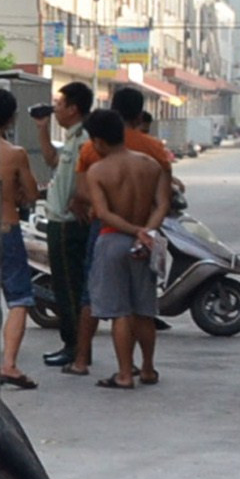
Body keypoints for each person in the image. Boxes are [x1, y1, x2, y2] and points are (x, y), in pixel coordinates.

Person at [73, 110, 168, 391]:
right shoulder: (151, 165)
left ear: (98, 141)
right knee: (144, 310)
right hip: (145, 243)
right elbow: (162, 204)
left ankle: (125, 374)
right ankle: (148, 368)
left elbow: (102, 212)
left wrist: (132, 231)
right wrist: (145, 232)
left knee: (120, 312)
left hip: (113, 240)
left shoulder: (98, 171)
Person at [31, 81, 93, 374]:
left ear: (73, 108)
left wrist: (82, 199)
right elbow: (53, 161)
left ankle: (75, 348)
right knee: (66, 287)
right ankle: (74, 346)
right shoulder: (71, 137)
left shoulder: (85, 140)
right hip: (58, 220)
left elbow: (88, 175)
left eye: (59, 104)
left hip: (70, 224)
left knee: (70, 289)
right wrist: (42, 129)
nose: (55, 108)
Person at [0, 88, 36, 389]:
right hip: (6, 226)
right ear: (11, 117)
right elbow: (31, 193)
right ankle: (9, 364)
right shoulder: (14, 154)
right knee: (19, 298)